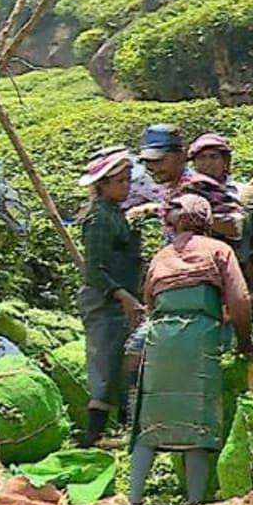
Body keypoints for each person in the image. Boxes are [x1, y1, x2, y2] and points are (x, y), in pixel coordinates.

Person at [130, 194, 253, 505]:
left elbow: (149, 303)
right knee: (197, 419)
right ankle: (195, 502)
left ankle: (133, 498)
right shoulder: (218, 250)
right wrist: (244, 343)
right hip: (200, 336)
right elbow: (240, 301)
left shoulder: (161, 256)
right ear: (206, 220)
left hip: (160, 339)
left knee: (151, 420)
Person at [76, 148, 145, 447]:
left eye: (128, 180)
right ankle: (94, 436)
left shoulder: (116, 214)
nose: (126, 187)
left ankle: (122, 429)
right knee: (105, 362)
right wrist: (122, 296)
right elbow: (94, 268)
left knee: (123, 361)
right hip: (105, 301)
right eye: (119, 181)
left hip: (120, 298)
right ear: (102, 185)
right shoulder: (100, 218)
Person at [124, 123, 193, 223]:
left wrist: (156, 209)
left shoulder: (197, 185)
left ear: (181, 156)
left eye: (159, 160)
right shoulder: (138, 177)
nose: (153, 167)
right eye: (148, 161)